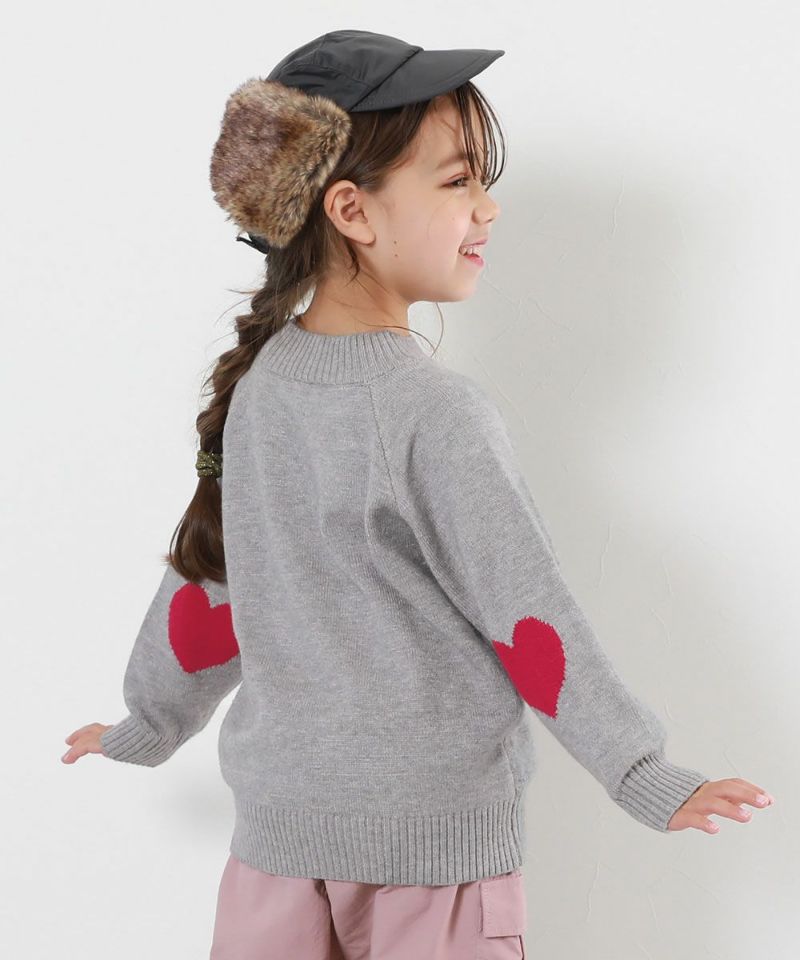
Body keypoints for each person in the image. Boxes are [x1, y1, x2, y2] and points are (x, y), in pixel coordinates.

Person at [60, 28, 775, 960]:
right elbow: (526, 615)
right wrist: (642, 771)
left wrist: (152, 721)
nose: (489, 207)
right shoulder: (431, 412)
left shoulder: (265, 389)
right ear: (351, 210)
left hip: (277, 856)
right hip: (430, 867)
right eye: (458, 181)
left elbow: (210, 583)